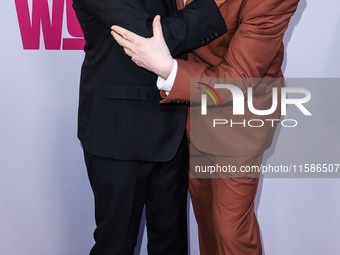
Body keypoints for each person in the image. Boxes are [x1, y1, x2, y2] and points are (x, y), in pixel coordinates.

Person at [111, 0, 300, 254]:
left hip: (241, 113)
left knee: (230, 229)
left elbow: (238, 79)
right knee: (207, 221)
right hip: (191, 106)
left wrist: (168, 69)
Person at [73, 0, 227, 254]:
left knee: (172, 244)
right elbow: (150, 38)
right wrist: (216, 5)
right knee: (115, 245)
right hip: (118, 131)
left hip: (172, 123)